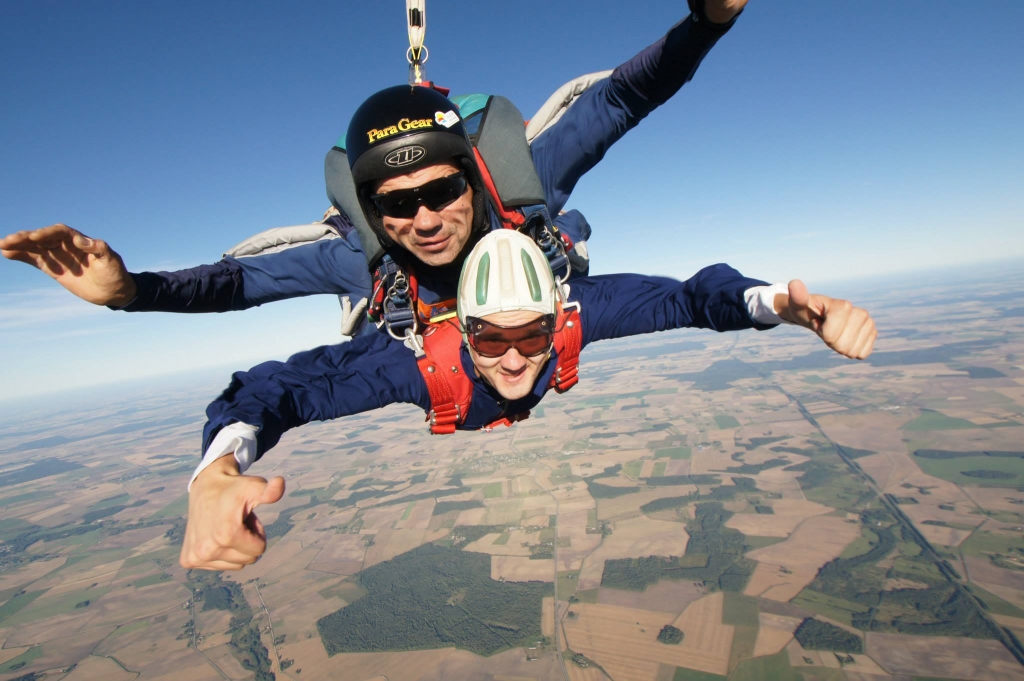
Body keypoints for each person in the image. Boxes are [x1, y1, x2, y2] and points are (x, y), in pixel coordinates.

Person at [1, 0, 749, 337]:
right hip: (423, 336)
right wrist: (132, 292)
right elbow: (238, 283)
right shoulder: (361, 261)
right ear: (367, 208)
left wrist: (707, 23)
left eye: (442, 190)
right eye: (395, 205)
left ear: (471, 176)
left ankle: (563, 250)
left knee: (559, 240)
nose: (422, 219)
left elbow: (624, 97)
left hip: (536, 275)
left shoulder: (524, 183)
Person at [180, 229, 876, 570]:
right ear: (460, 327)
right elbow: (285, 389)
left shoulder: (578, 312)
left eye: (532, 333)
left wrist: (777, 305)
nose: (514, 356)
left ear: (557, 315)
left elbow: (691, 297)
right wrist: (220, 465)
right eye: (489, 336)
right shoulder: (418, 363)